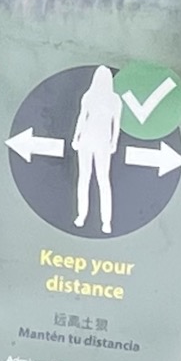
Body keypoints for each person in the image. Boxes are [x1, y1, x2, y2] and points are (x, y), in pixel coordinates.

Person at [72, 65, 122, 234]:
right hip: (87, 140)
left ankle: (106, 221)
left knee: (102, 180)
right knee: (84, 178)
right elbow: (82, 117)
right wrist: (76, 137)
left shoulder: (115, 99)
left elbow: (117, 123)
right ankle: (81, 215)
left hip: (102, 143)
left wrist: (114, 142)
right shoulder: (89, 96)